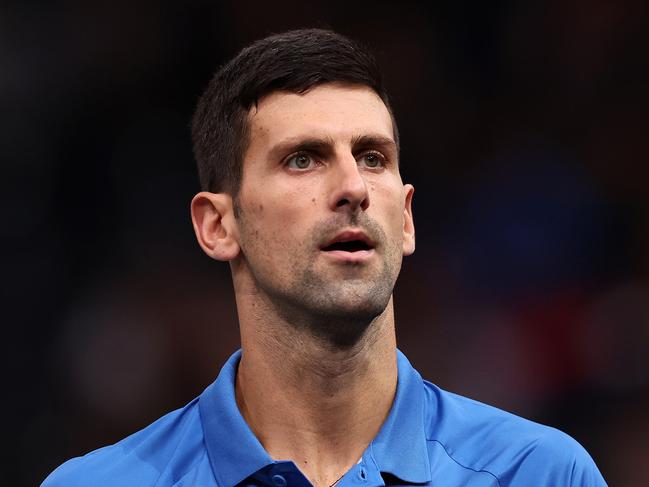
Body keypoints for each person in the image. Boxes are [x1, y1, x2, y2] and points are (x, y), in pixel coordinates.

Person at [42, 28, 607, 487]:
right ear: (218, 225)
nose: (353, 187)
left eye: (372, 157)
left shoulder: (540, 473)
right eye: (303, 160)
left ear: (406, 218)